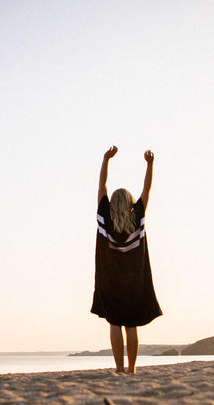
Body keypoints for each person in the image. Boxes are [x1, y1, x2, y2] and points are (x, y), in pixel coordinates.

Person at [91, 145, 162, 373]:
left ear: (112, 202)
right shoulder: (137, 217)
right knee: (131, 325)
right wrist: (150, 165)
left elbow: (102, 185)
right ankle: (131, 368)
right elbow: (146, 189)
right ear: (131, 203)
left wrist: (106, 160)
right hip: (134, 282)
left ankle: (119, 368)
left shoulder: (104, 215)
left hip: (110, 282)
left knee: (114, 323)